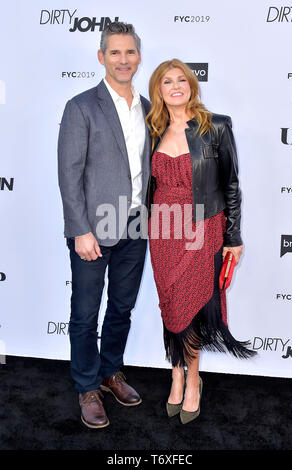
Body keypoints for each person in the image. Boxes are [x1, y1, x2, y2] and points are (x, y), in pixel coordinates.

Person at [146, 59, 256, 425]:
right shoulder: (153, 128)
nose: (176, 86)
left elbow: (232, 185)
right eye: (167, 81)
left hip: (202, 228)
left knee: (194, 305)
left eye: (182, 80)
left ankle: (193, 379)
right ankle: (175, 372)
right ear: (158, 90)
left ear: (192, 85)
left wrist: (233, 237)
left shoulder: (217, 126)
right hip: (162, 231)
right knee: (172, 304)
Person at [57, 22, 151, 429]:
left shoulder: (149, 108)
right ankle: (86, 386)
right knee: (84, 312)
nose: (123, 59)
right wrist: (80, 230)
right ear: (101, 57)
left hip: (135, 225)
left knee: (122, 307)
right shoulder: (81, 106)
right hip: (93, 229)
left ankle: (112, 372)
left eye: (129, 52)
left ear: (139, 57)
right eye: (115, 52)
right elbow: (69, 173)